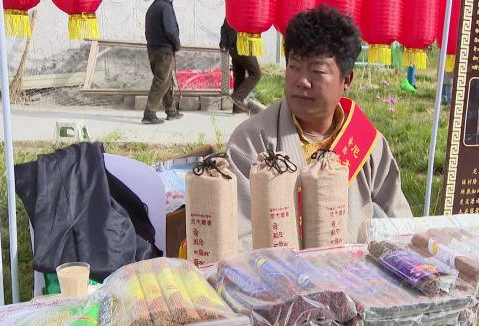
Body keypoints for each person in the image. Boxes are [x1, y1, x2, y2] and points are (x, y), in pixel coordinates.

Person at [227, 5, 413, 250]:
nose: (302, 81)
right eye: (294, 66)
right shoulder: (251, 142)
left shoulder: (368, 143)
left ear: (346, 80)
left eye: (317, 71)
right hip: (279, 279)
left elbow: (399, 226)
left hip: (356, 278)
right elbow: (240, 238)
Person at [142, 0, 182, 124]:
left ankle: (171, 111)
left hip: (153, 49)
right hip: (164, 50)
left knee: (167, 80)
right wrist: (177, 44)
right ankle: (149, 113)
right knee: (161, 81)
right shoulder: (165, 7)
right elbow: (170, 30)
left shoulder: (152, 7)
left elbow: (147, 31)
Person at [220, 19, 262, 113]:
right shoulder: (247, 8)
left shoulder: (233, 9)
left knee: (239, 77)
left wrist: (224, 44)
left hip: (232, 48)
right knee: (256, 73)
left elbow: (224, 27)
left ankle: (237, 109)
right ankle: (237, 97)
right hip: (243, 44)